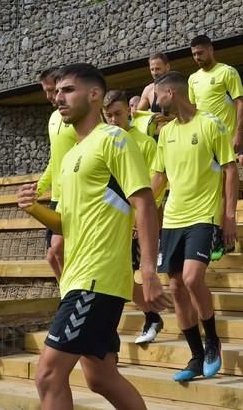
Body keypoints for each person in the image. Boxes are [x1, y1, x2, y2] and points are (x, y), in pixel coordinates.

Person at [17, 63, 171, 410]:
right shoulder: (72, 155)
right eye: (57, 92)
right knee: (101, 377)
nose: (59, 97)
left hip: (96, 279)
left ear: (95, 94)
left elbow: (144, 202)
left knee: (48, 375)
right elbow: (65, 225)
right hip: (77, 277)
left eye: (68, 90)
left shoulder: (114, 138)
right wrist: (35, 209)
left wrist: (148, 270)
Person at [151, 71, 239, 382]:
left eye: (156, 97)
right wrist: (142, 209)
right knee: (176, 287)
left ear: (170, 94)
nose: (154, 103)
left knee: (191, 278)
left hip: (204, 215)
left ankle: (212, 340)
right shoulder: (166, 133)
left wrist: (229, 215)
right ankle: (196, 356)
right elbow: (159, 177)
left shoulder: (210, 123)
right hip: (174, 218)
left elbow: (230, 169)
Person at [102, 90, 165, 345]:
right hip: (107, 222)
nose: (114, 120)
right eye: (109, 116)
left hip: (131, 221)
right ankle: (151, 316)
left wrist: (141, 220)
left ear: (130, 111)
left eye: (118, 114)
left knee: (123, 276)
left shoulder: (145, 143)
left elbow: (153, 187)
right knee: (119, 277)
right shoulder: (103, 140)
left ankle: (149, 317)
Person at [35, 66, 77, 281]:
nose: (50, 96)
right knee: (52, 256)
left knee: (58, 249)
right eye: (47, 91)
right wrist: (39, 187)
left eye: (52, 90)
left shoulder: (78, 117)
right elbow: (55, 159)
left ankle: (71, 298)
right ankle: (67, 298)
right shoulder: (53, 118)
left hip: (75, 196)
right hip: (57, 197)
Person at [188, 35, 243, 153]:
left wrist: (239, 133)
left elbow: (240, 102)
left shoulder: (227, 72)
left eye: (200, 53)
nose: (197, 57)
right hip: (204, 139)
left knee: (229, 171)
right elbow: (192, 110)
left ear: (210, 50)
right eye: (194, 54)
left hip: (226, 137)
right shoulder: (193, 78)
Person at [136, 53, 175, 137]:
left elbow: (190, 113)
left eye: (158, 69)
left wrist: (167, 118)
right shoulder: (148, 90)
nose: (155, 73)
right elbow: (138, 114)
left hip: (177, 133)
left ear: (167, 67)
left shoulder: (178, 86)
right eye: (152, 69)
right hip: (157, 136)